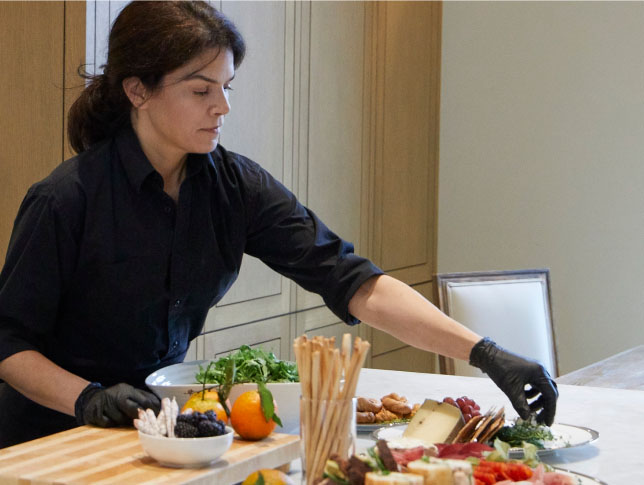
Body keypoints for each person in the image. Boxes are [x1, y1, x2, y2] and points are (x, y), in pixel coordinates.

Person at [0, 1, 557, 448]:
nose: (222, 107)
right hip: (47, 437)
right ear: (138, 91)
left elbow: (350, 279)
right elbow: (8, 342)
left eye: (227, 87)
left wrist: (483, 351)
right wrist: (88, 398)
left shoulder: (233, 186)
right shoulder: (65, 199)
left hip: (155, 435)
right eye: (201, 90)